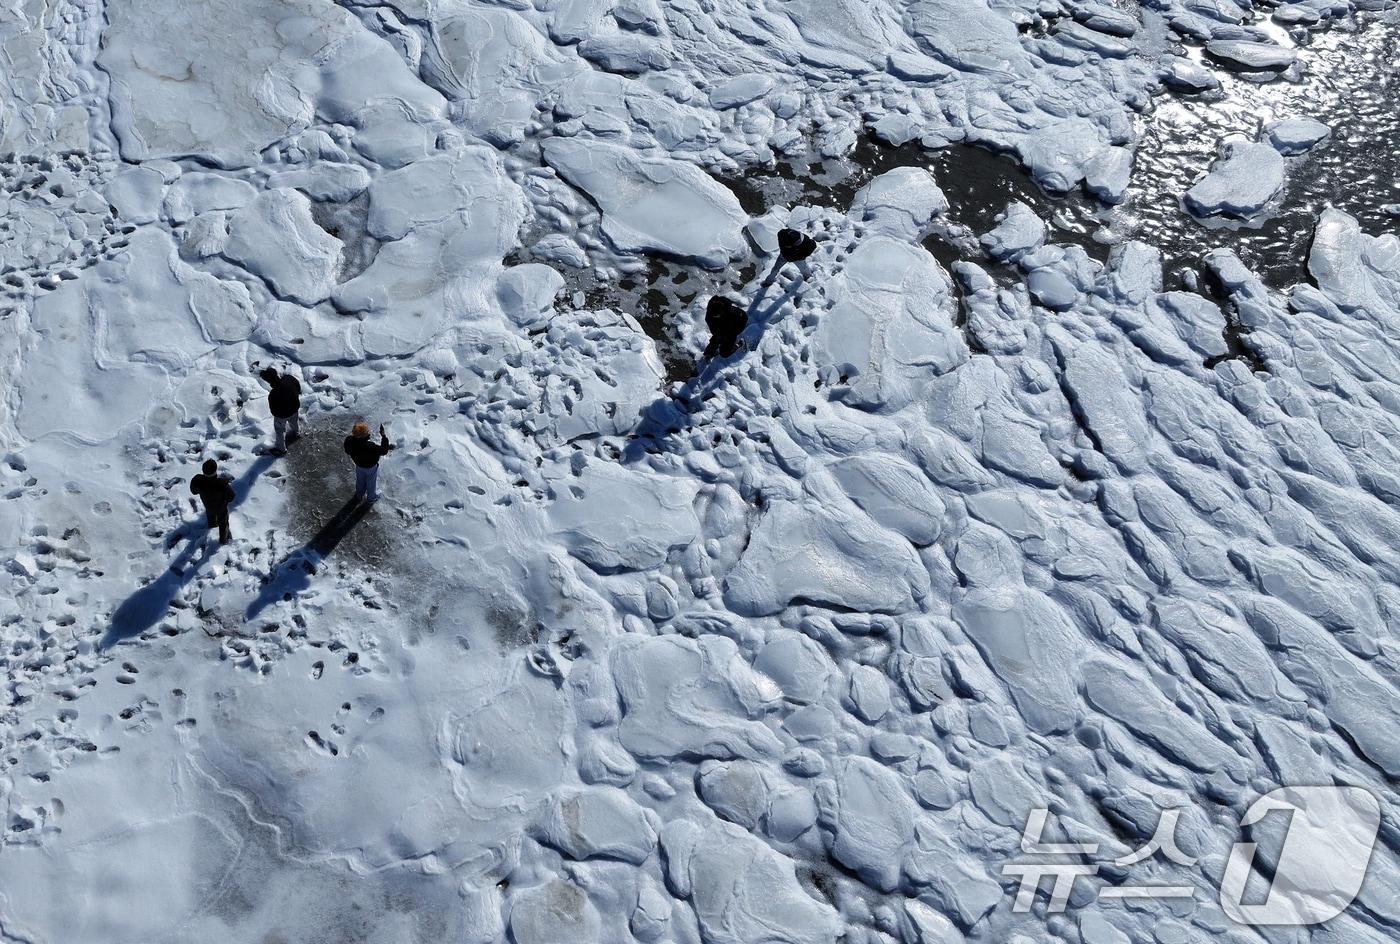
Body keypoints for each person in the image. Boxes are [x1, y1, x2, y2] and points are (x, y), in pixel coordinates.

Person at [344, 421, 393, 503]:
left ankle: (359, 495)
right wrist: (384, 436)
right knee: (371, 483)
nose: (368, 432)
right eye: (367, 432)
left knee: (360, 481)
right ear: (363, 435)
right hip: (371, 467)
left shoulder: (349, 441)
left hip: (359, 466)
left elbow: (347, 450)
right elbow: (384, 451)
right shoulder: (370, 446)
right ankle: (371, 498)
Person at [189, 458, 235, 544]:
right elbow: (231, 497)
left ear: (203, 470)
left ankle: (212, 524)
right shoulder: (222, 483)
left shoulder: (197, 480)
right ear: (215, 471)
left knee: (210, 514)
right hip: (221, 508)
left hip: (208, 505)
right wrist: (225, 500)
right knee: (223, 523)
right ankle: (223, 539)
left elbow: (193, 491)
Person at [258, 366, 302, 453]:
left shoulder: (273, 394)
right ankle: (297, 433)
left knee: (280, 431)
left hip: (282, 416)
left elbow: (273, 410)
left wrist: (279, 415)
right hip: (294, 409)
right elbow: (298, 387)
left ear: (268, 381)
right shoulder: (288, 379)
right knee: (294, 421)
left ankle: (281, 449)